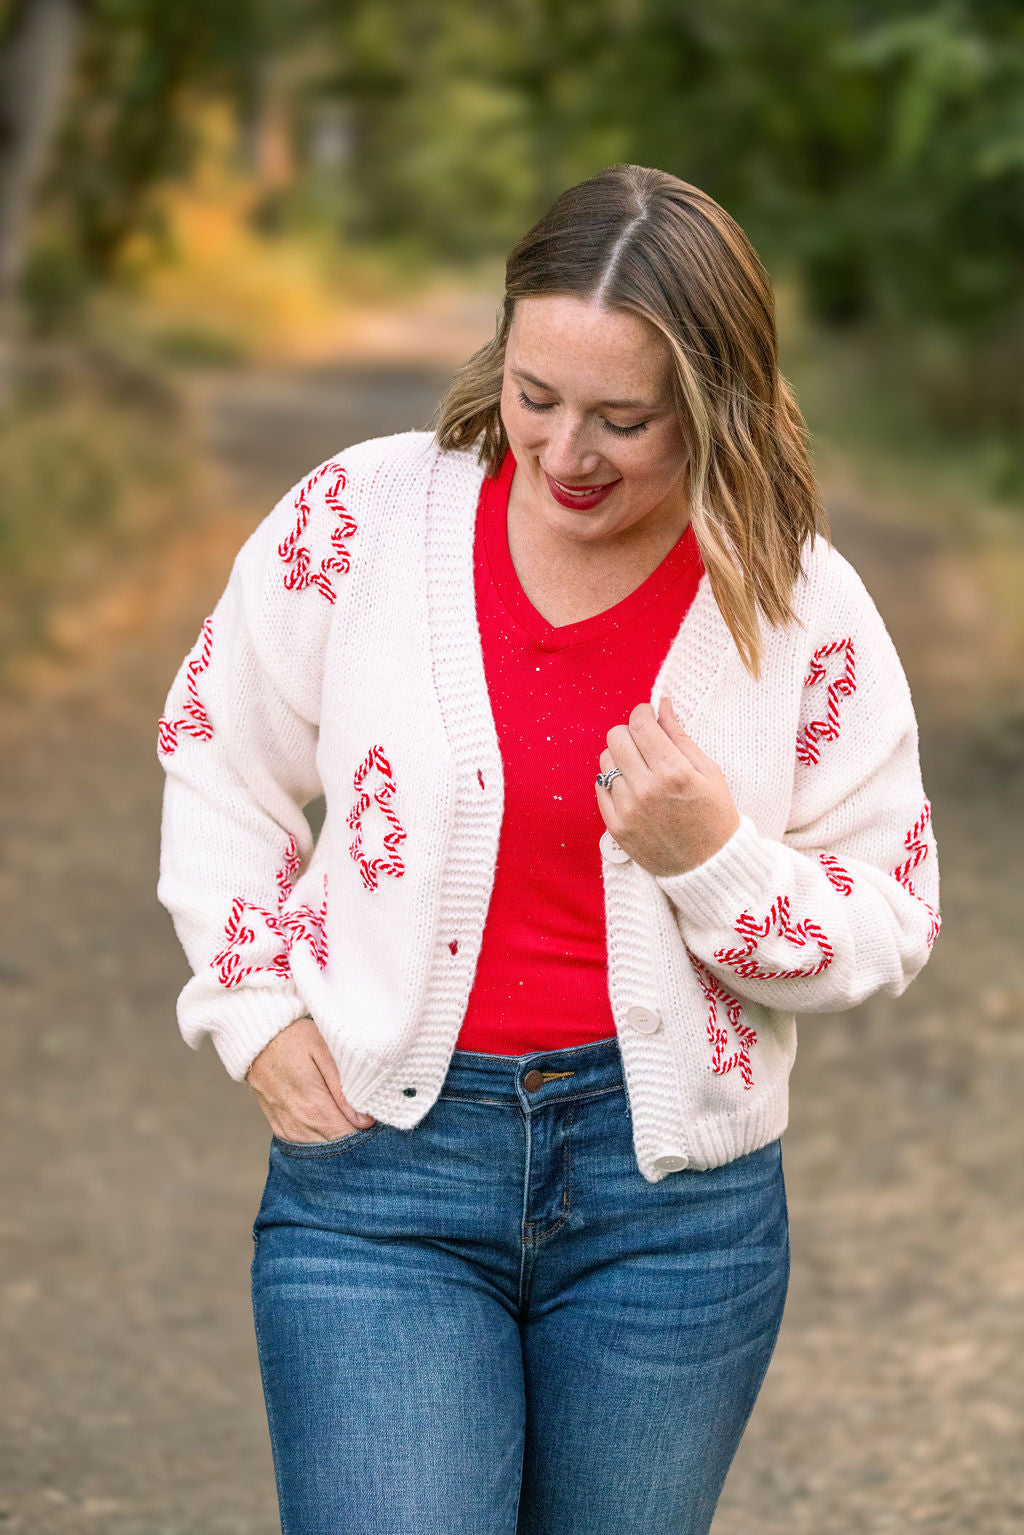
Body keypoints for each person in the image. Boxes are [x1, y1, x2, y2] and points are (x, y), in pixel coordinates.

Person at [156, 164, 940, 1535]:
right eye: (535, 397)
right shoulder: (365, 519)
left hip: (674, 1218)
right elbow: (218, 752)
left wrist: (715, 861)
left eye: (622, 419)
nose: (565, 453)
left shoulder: (797, 605)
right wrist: (255, 1007)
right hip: (386, 1179)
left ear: (715, 401)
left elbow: (892, 916)